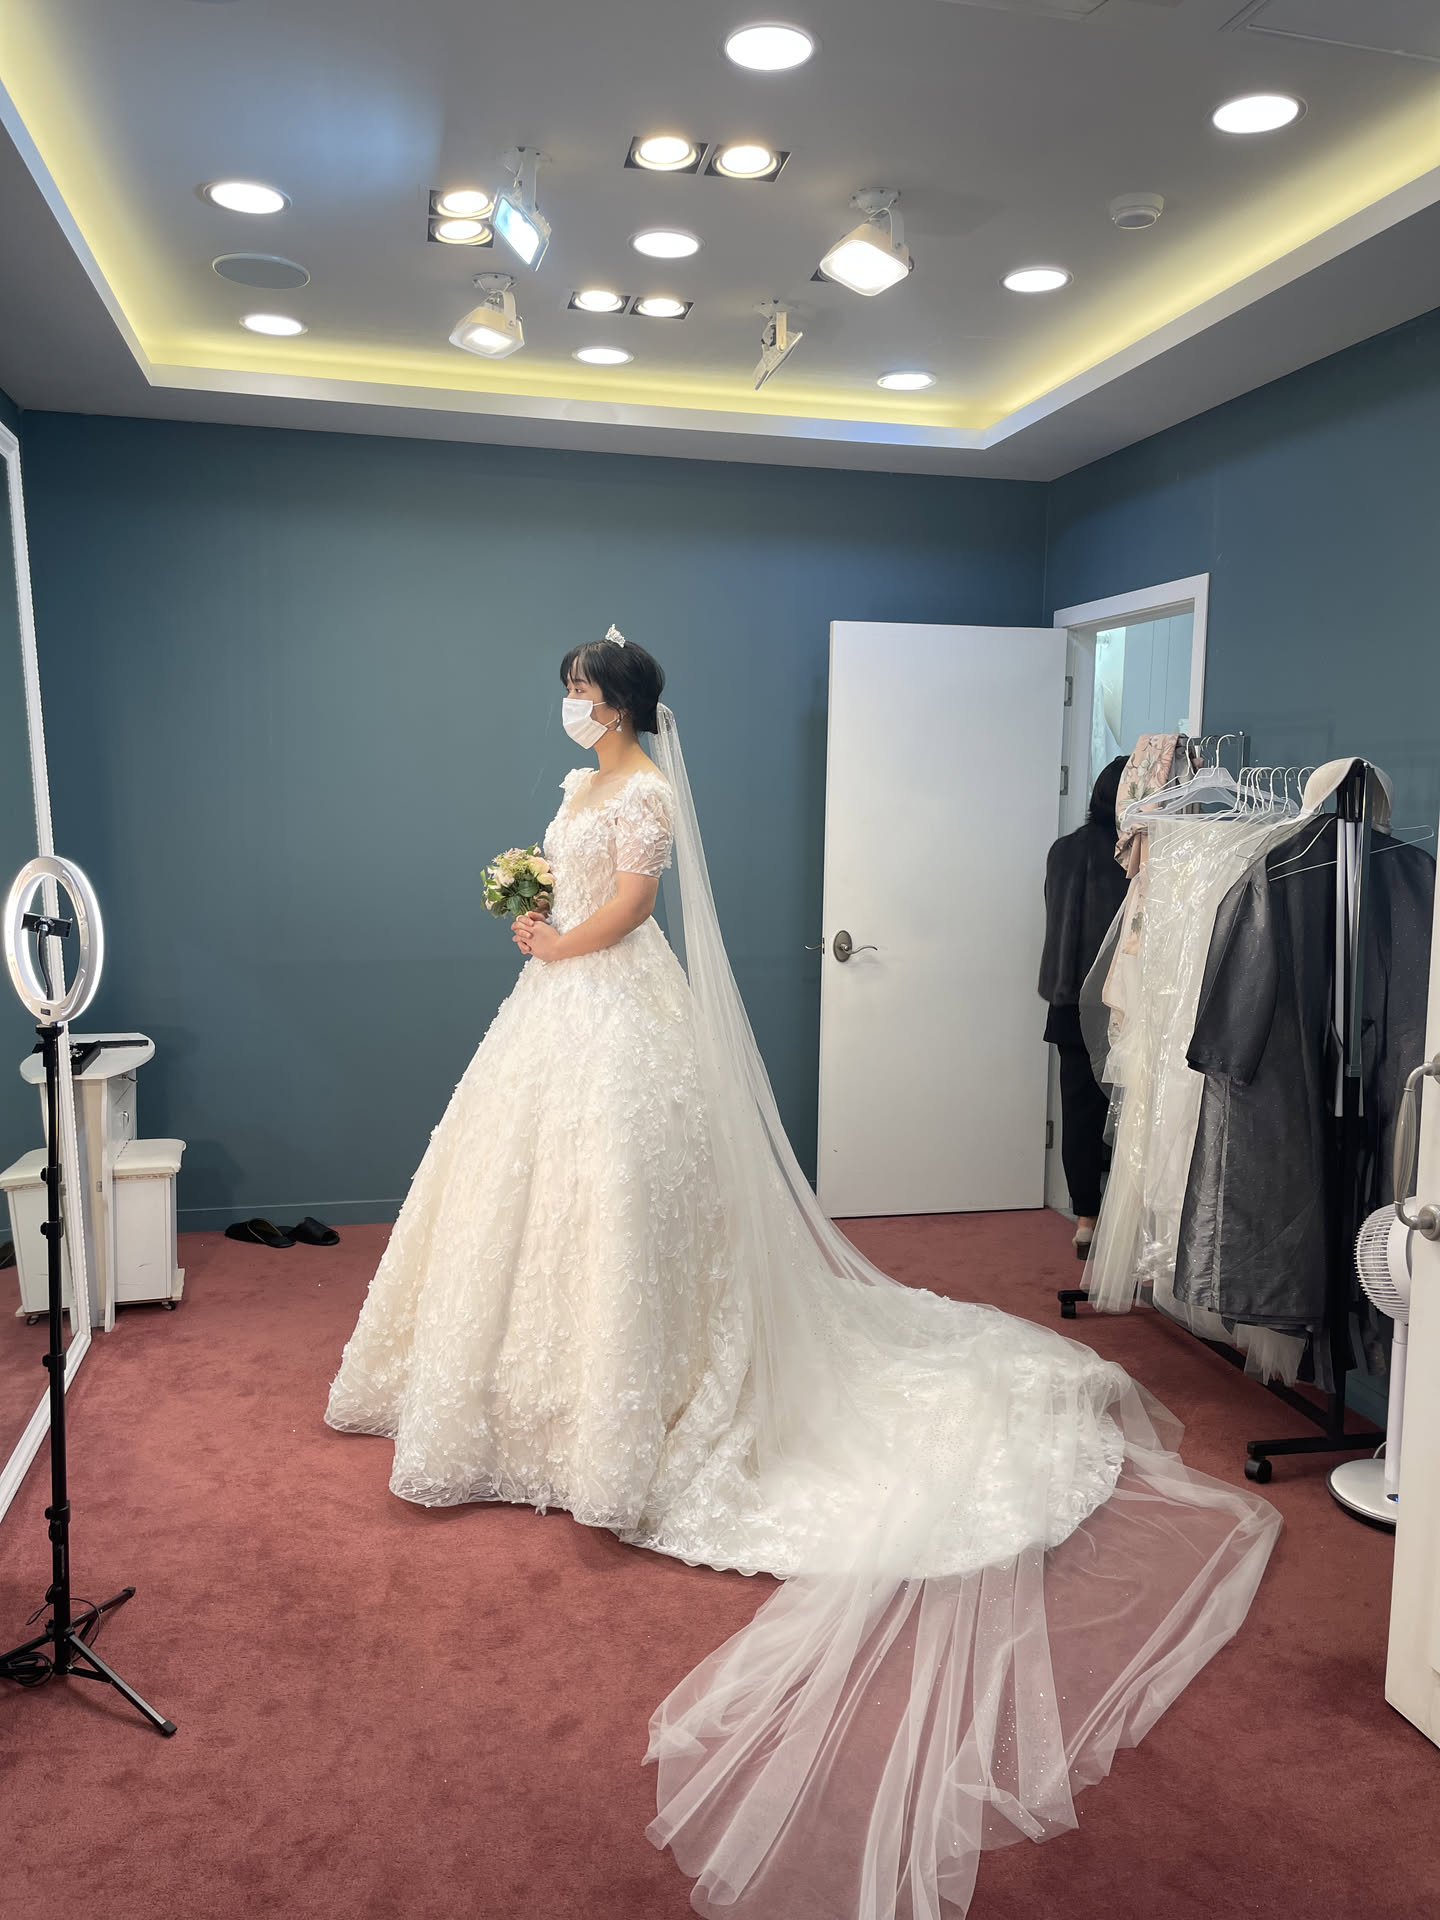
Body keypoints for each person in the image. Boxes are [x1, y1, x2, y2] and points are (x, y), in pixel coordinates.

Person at [326, 632, 1279, 1920]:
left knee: (625, 1193)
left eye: (580, 691)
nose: (569, 707)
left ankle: (630, 1398)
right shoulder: (580, 785)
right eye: (568, 691)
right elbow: (576, 885)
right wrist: (536, 919)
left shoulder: (646, 790)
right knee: (522, 1189)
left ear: (618, 703)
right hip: (558, 1009)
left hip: (610, 997)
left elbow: (635, 909)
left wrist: (557, 942)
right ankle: (518, 1392)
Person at [1039, 756, 1128, 1258]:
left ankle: (1086, 1220)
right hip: (1114, 1002)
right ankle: (1125, 1221)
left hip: (1066, 1001)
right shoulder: (1132, 855)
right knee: (1130, 1110)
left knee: (1079, 1114)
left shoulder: (1062, 850)